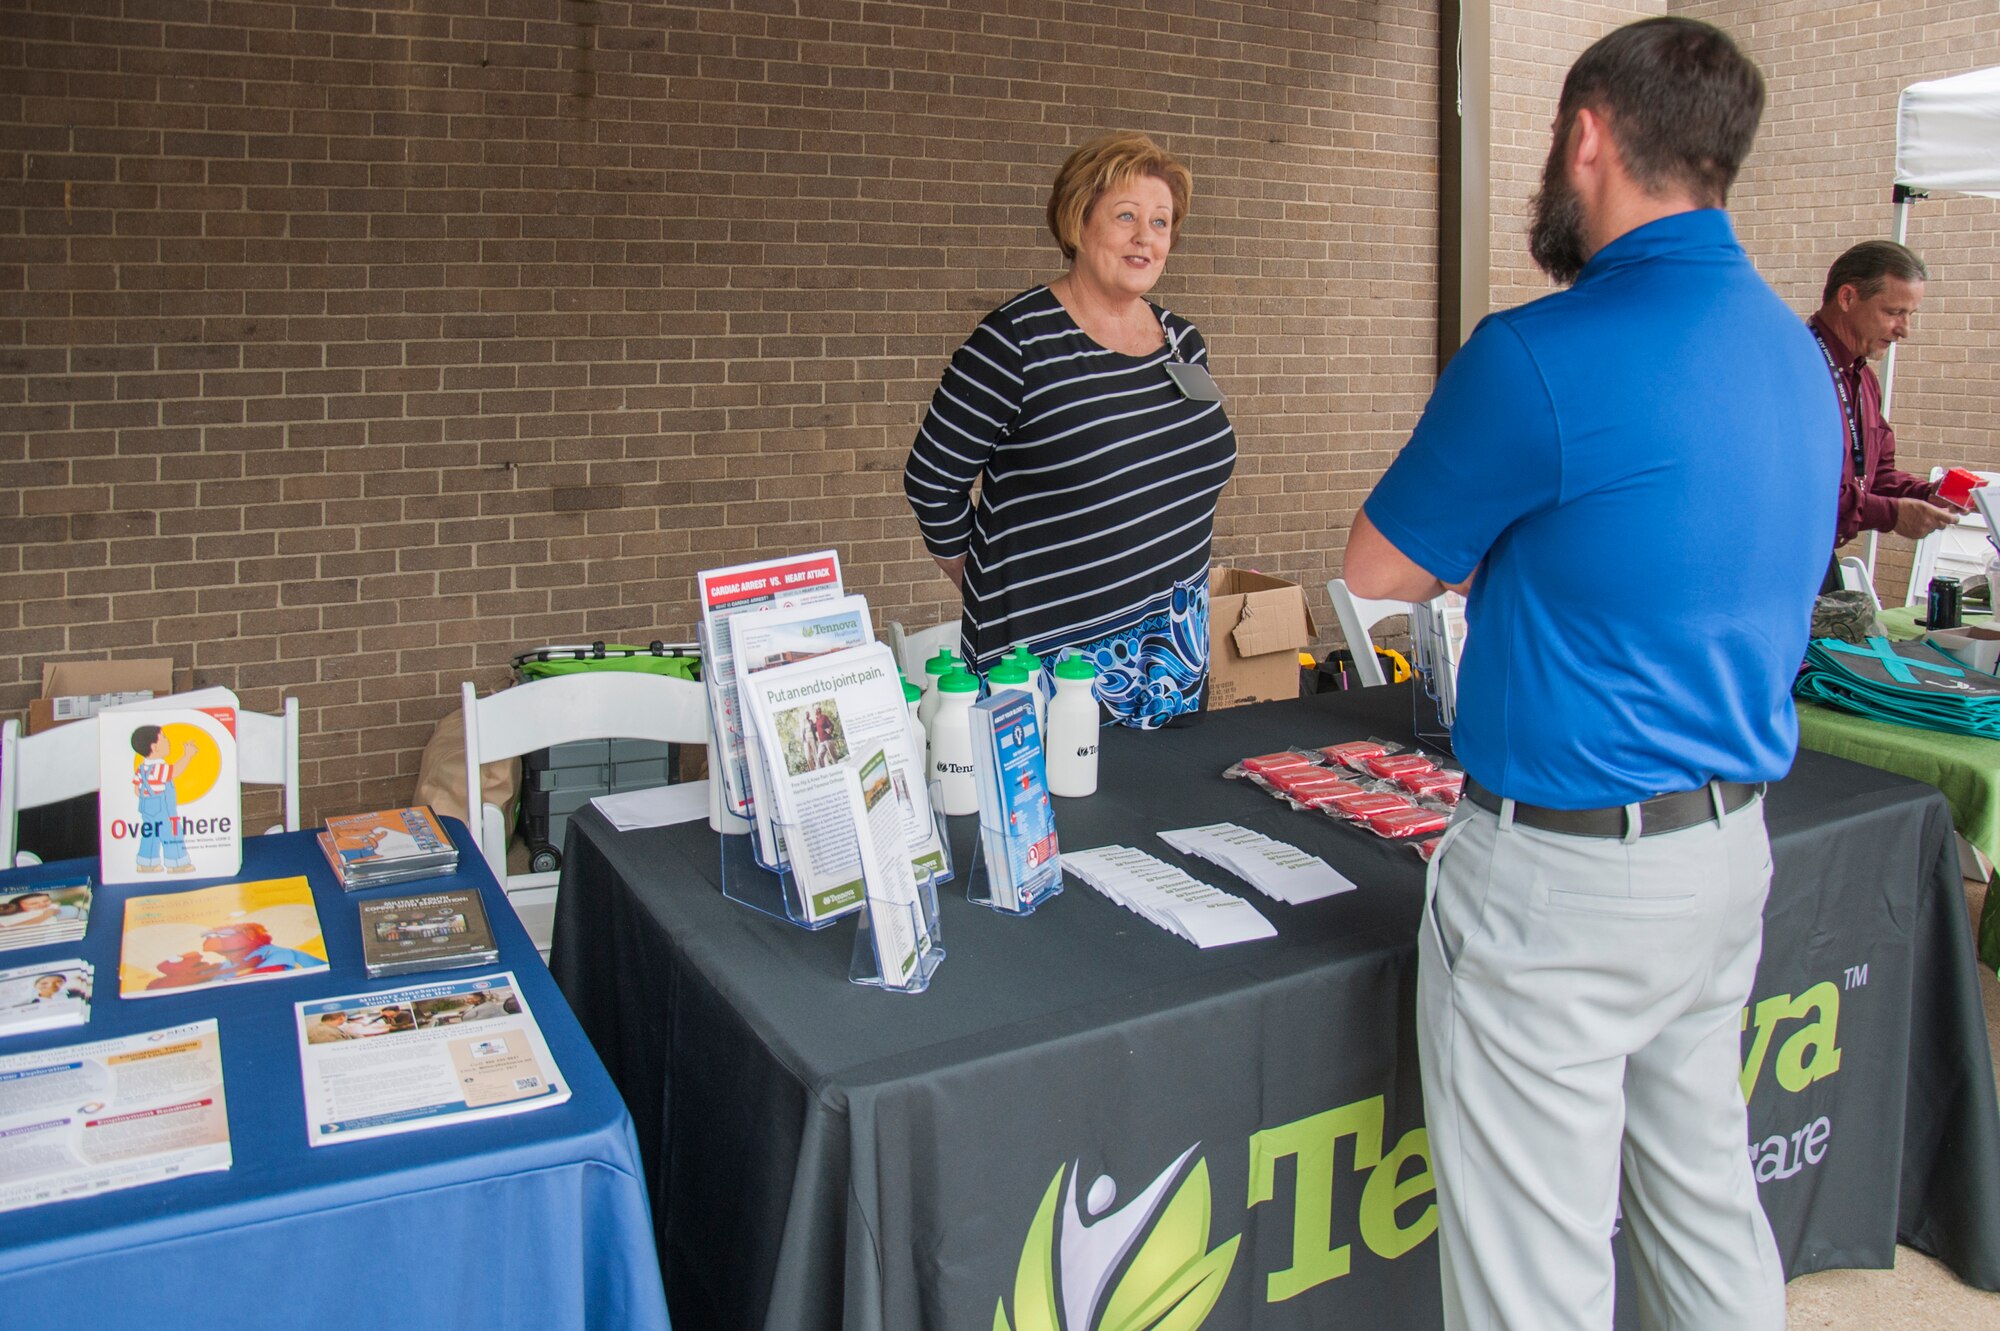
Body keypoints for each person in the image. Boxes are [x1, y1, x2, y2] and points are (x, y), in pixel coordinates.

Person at [1343, 18, 1835, 1330]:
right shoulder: (1796, 352)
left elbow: (1379, 566)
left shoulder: (1539, 352)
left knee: (1533, 1276)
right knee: (1705, 1211)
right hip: (1728, 851)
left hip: (1564, 880)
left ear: (1587, 138)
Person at [902, 131, 1237, 729]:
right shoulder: (1014, 342)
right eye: (1126, 216)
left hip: (1173, 660)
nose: (1146, 237)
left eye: (1160, 223)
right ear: (1078, 223)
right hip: (1048, 664)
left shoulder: (1185, 342)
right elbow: (932, 480)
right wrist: (987, 581)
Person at [1807, 240, 1964, 553]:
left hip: (1820, 559)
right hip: (1778, 562)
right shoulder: (1798, 370)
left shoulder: (1863, 378)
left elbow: (1874, 475)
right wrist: (1891, 514)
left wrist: (1925, 494)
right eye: (1894, 312)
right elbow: (1800, 489)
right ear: (1848, 297)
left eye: (1910, 314)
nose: (1904, 330)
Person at [129, 724, 196, 874]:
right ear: (154, 747)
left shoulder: (142, 767)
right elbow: (176, 771)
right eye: (164, 738)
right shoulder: (159, 768)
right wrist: (188, 755)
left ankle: (147, 864)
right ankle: (177, 864)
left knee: (151, 833)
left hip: (147, 806)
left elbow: (136, 789)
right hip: (162, 808)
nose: (168, 741)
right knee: (172, 832)